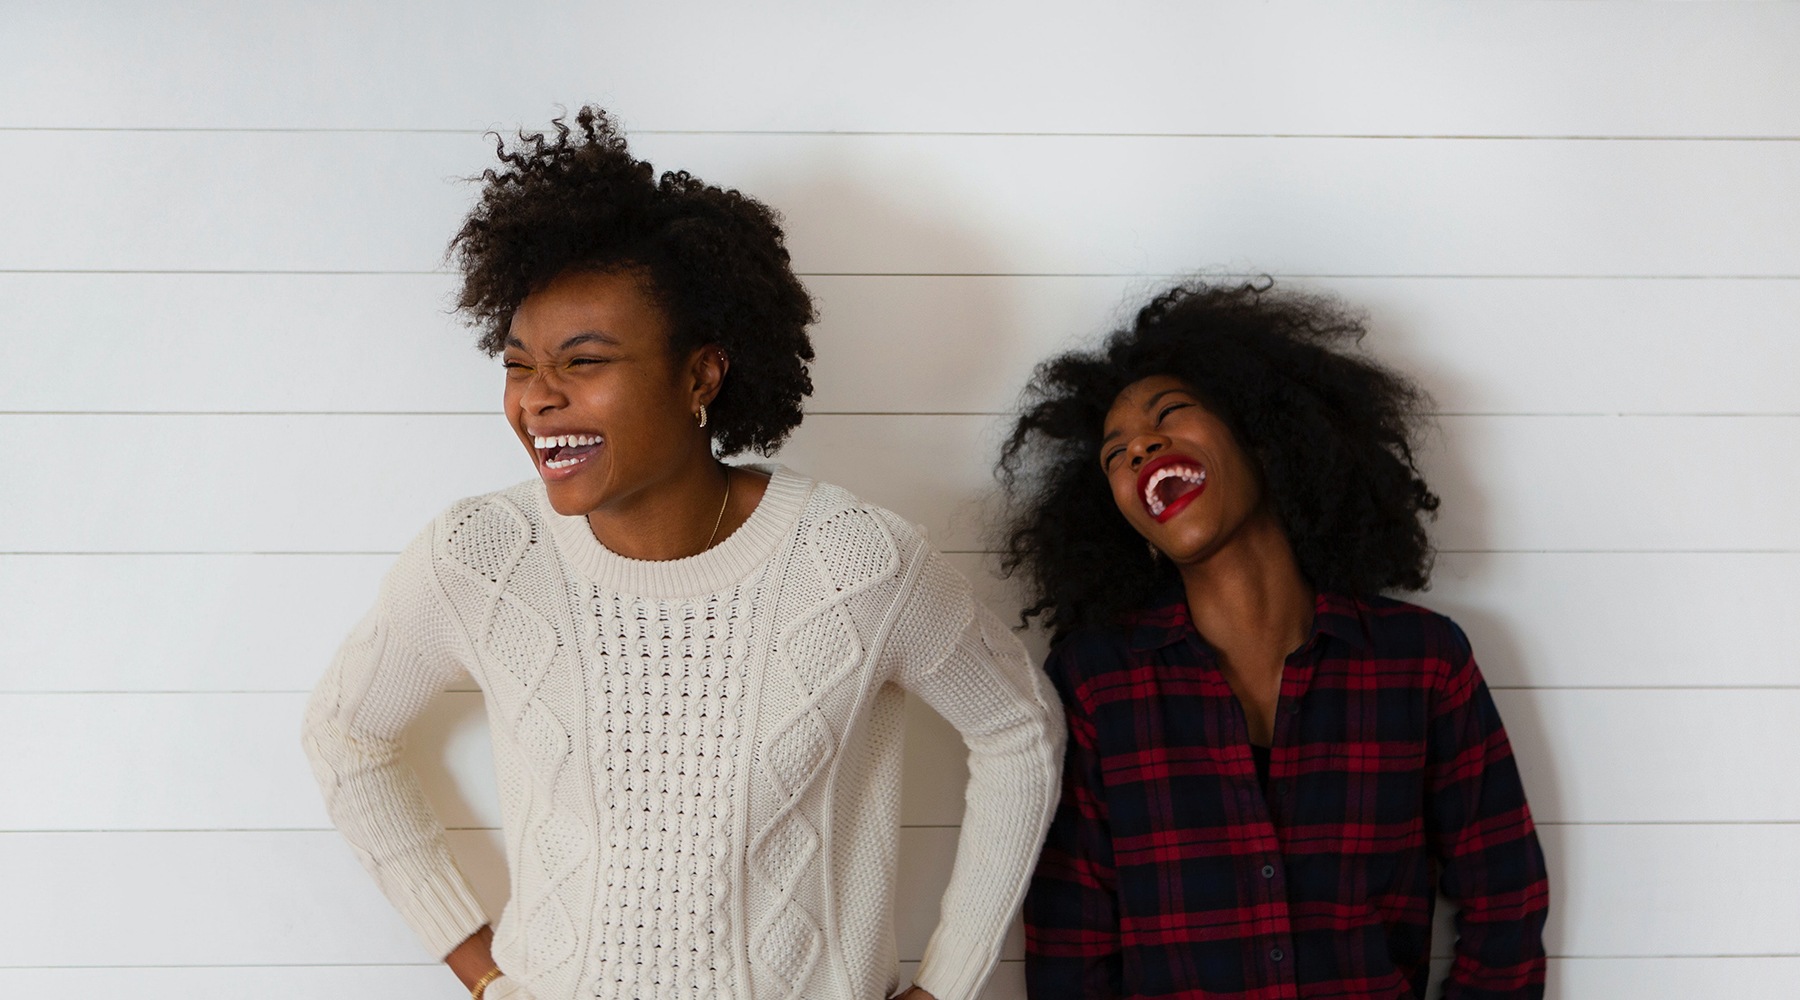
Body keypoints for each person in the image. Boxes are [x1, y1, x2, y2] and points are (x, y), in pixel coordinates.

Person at [302, 107, 1063, 1000]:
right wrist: (484, 973)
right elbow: (344, 734)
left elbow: (1020, 731)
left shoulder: (856, 562)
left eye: (583, 361)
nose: (537, 400)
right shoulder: (483, 557)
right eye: (517, 364)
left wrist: (949, 986)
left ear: (700, 376)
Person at [1001, 281, 1548, 999]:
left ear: (1262, 432)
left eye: (1169, 416)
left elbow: (1505, 903)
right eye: (1116, 456)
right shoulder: (1096, 684)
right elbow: (1072, 949)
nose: (1142, 448)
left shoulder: (1423, 664)